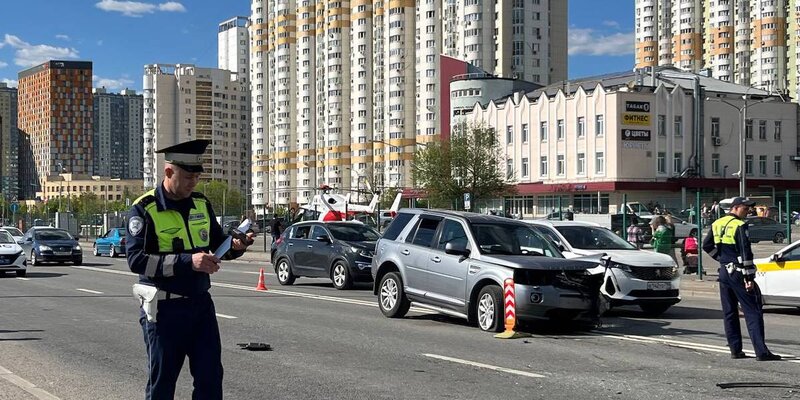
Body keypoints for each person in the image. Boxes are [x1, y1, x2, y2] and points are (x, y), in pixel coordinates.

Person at [126, 139, 256, 399]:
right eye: (187, 176)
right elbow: (137, 260)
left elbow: (218, 245)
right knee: (162, 384)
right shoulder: (145, 208)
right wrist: (188, 261)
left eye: (197, 177)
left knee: (210, 380)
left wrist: (238, 246)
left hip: (200, 306)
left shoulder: (201, 203)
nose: (193, 183)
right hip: (163, 311)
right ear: (169, 172)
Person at [702, 197, 781, 361]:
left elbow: (706, 245)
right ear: (736, 208)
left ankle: (735, 350)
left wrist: (722, 259)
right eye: (746, 209)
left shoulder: (717, 223)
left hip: (724, 272)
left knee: (729, 312)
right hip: (738, 272)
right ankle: (761, 352)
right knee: (753, 311)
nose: (748, 212)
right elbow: (746, 252)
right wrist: (749, 277)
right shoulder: (739, 225)